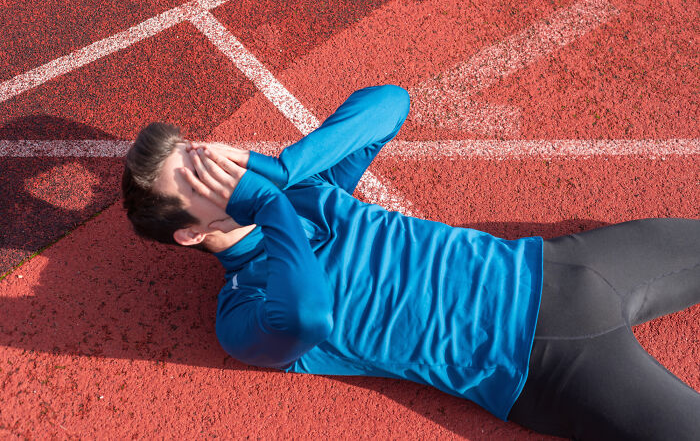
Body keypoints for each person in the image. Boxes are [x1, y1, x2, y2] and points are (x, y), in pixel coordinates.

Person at [121, 85, 700, 440]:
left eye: (202, 153)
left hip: (559, 267)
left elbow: (388, 103)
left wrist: (285, 169)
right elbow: (308, 317)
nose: (217, 166)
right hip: (546, 362)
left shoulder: (300, 189)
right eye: (197, 176)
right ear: (192, 235)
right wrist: (268, 202)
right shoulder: (243, 310)